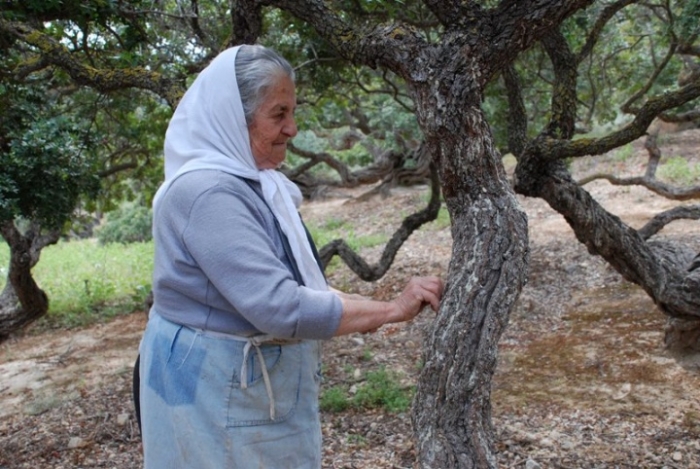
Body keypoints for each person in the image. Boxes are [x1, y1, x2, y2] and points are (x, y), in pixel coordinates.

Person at [137, 44, 444, 469]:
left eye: (291, 112)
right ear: (233, 117)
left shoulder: (254, 184)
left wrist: (370, 310)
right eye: (278, 114)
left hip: (238, 385)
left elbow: (300, 284)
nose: (293, 129)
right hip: (216, 388)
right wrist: (390, 309)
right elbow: (279, 306)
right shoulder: (208, 193)